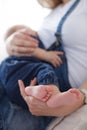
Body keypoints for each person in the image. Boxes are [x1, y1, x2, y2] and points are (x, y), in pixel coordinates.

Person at [0, 0, 87, 130]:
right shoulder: (50, 15)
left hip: (45, 91)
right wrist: (11, 43)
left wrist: (83, 95)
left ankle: (49, 90)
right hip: (20, 78)